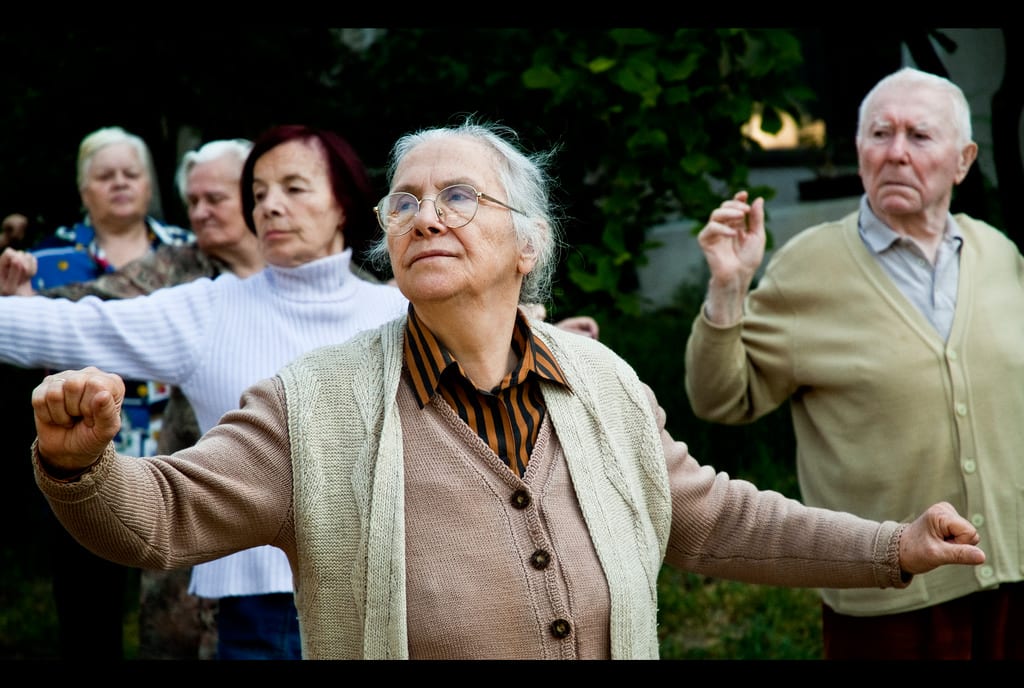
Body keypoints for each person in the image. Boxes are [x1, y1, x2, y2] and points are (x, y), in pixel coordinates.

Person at [25, 117, 986, 660]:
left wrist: (890, 546)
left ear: (528, 244)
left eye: (457, 197)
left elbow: (713, 518)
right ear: (387, 247)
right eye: (404, 202)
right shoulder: (311, 404)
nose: (424, 215)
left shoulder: (600, 382)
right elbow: (159, 518)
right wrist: (81, 466)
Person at [0, 124, 409, 660]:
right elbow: (73, 325)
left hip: (384, 592)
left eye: (293, 188)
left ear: (343, 204)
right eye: (258, 194)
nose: (269, 206)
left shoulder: (397, 312)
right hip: (256, 608)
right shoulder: (209, 309)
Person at [683, 66, 1023, 660]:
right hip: (890, 588)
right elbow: (720, 400)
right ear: (859, 149)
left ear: (963, 160)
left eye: (919, 137)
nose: (895, 154)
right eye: (878, 135)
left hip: (1015, 573)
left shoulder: (999, 253)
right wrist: (728, 290)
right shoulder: (808, 267)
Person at [0, 138, 263, 660]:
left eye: (217, 198)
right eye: (193, 202)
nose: (201, 213)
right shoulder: (178, 267)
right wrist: (27, 310)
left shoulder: (338, 284)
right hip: (164, 472)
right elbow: (92, 309)